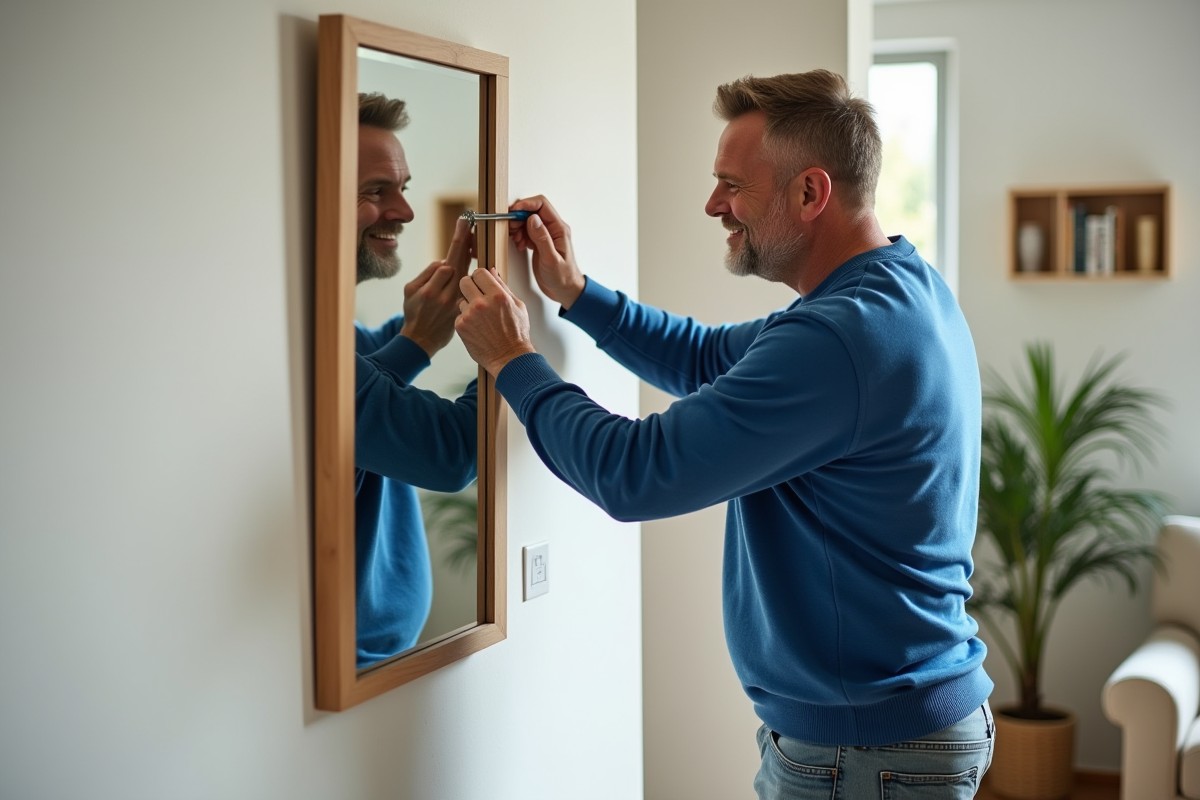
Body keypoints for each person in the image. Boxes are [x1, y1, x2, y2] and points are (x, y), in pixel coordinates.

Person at [454, 70, 994, 797]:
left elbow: (635, 473)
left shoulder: (840, 338)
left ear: (810, 193)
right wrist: (576, 294)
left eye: (732, 185)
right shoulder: (897, 290)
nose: (713, 205)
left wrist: (513, 361)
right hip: (887, 733)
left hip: (866, 750)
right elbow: (709, 358)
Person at [353, 92, 478, 667]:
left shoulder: (337, 333)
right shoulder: (285, 340)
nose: (403, 211)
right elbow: (449, 454)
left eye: (402, 188)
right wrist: (499, 348)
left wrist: (425, 325)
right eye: (376, 192)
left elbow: (364, 372)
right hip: (344, 670)